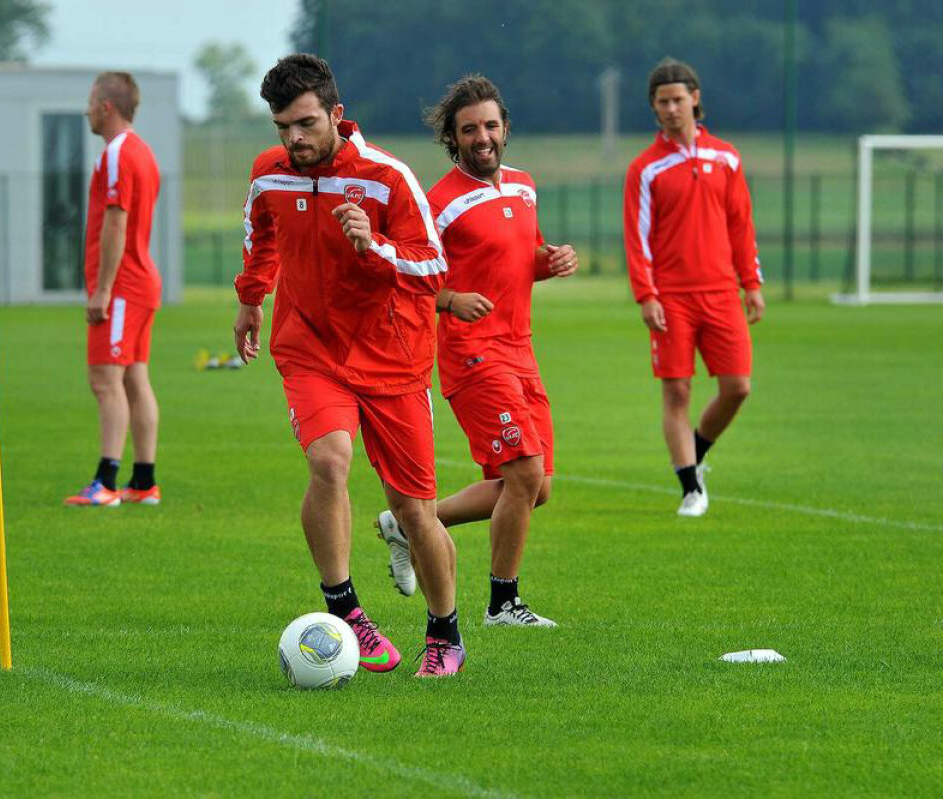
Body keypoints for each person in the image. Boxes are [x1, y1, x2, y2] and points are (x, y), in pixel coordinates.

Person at [233, 54, 464, 677]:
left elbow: (433, 268)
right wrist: (251, 298)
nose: (294, 138)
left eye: (306, 123)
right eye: (283, 127)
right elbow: (260, 235)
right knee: (329, 461)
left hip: (393, 359)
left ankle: (445, 633)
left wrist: (375, 244)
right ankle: (346, 611)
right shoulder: (270, 174)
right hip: (310, 349)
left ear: (336, 113)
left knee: (414, 510)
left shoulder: (386, 178)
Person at [375, 75, 578, 627]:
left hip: (521, 351)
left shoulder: (524, 186)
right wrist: (449, 299)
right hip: (472, 355)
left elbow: (519, 259)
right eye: (469, 129)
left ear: (505, 128)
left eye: (490, 126)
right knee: (525, 471)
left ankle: (409, 522)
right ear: (452, 138)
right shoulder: (437, 203)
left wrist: (551, 261)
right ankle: (503, 604)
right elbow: (405, 277)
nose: (482, 137)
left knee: (537, 488)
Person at [623, 59, 765, 517]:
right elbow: (637, 238)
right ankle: (690, 488)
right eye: (662, 102)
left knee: (738, 387)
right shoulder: (645, 169)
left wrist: (751, 283)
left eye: (677, 99)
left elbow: (741, 225)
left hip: (722, 292)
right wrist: (647, 295)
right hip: (671, 298)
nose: (671, 108)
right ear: (653, 107)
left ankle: (695, 455)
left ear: (695, 99)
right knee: (677, 393)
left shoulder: (726, 157)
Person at [65, 72, 163, 507]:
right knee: (135, 379)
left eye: (90, 101)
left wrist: (103, 289)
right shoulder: (142, 151)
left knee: (105, 380)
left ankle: (105, 484)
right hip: (140, 282)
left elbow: (116, 221)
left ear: (106, 107)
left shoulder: (118, 154)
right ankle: (143, 483)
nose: (86, 109)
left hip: (123, 285)